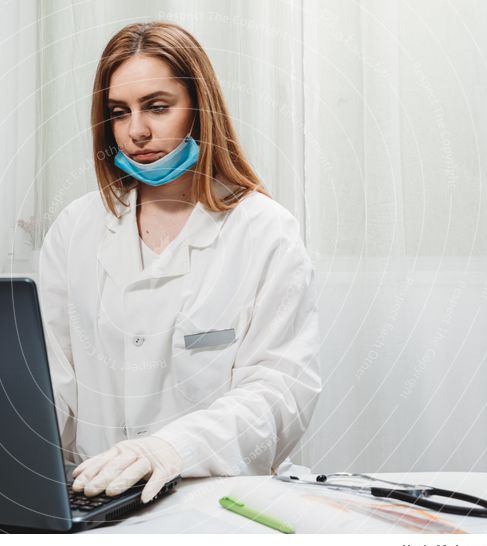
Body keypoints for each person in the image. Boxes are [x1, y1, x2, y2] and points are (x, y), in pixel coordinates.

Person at [38, 22, 321, 504]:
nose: (137, 131)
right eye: (119, 112)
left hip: (211, 497)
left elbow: (280, 392)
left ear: (199, 110)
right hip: (95, 493)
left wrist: (170, 449)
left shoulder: (263, 230)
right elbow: (47, 378)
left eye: (157, 107)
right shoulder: (76, 227)